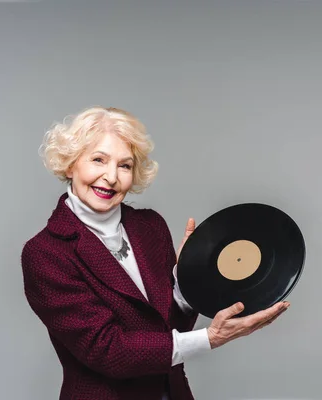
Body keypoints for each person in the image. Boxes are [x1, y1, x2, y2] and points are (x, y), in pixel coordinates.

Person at [21, 106, 290, 400]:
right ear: (71, 164)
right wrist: (210, 338)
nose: (111, 177)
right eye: (98, 160)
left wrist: (186, 282)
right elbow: (107, 350)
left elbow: (165, 329)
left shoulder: (150, 226)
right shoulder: (45, 254)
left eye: (124, 166)